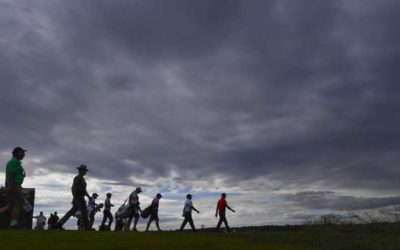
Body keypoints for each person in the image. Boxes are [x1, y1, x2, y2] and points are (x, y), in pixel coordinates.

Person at [55, 164, 91, 230]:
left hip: (79, 198)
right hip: (79, 198)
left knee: (72, 212)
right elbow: (73, 188)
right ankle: (87, 227)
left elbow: (84, 190)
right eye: (84, 170)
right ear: (81, 170)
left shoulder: (82, 179)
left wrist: (89, 197)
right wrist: (76, 197)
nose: (85, 172)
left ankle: (59, 224)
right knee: (84, 212)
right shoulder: (78, 178)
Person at [0, 147, 27, 228]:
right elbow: (11, 175)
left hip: (14, 185)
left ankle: (14, 223)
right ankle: (14, 224)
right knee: (17, 204)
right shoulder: (14, 162)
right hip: (14, 185)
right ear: (18, 153)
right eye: (22, 153)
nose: (24, 155)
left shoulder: (16, 162)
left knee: (9, 206)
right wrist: (11, 187)